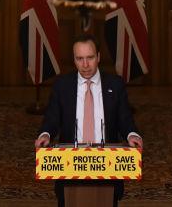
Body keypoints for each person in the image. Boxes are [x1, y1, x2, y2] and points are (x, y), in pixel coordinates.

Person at [35, 35, 143, 206]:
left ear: (98, 57)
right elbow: (52, 118)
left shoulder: (115, 85)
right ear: (74, 59)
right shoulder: (62, 85)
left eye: (90, 58)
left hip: (106, 168)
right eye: (79, 59)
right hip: (70, 168)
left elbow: (125, 119)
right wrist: (45, 134)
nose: (85, 65)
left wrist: (132, 135)